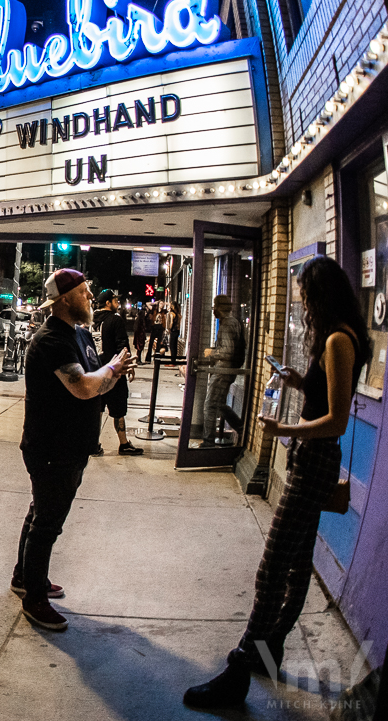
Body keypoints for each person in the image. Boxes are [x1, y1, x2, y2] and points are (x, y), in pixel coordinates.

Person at [184, 256, 369, 708]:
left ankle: (238, 672)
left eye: (305, 295)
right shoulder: (335, 338)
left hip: (316, 461)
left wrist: (284, 431)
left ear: (319, 295)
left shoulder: (339, 340)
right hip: (312, 457)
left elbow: (337, 420)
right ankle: (270, 652)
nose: (302, 304)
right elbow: (324, 396)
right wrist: (299, 382)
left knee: (272, 569)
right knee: (296, 562)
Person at [13, 269, 135, 631]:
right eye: (84, 293)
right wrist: (112, 370)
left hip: (69, 446)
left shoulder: (80, 334)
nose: (91, 298)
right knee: (47, 524)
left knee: (41, 513)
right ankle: (34, 597)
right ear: (64, 300)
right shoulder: (51, 340)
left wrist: (114, 372)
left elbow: (98, 379)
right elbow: (83, 386)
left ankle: (25, 577)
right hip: (52, 447)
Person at [94, 290, 143, 455]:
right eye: (115, 300)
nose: (117, 303)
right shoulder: (115, 320)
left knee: (96, 409)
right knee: (118, 410)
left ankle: (93, 443)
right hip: (113, 372)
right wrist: (128, 367)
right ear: (108, 303)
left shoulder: (89, 320)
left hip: (94, 372)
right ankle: (123, 443)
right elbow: (122, 346)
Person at [199, 294, 246, 445]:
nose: (213, 311)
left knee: (210, 405)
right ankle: (240, 427)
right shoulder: (234, 322)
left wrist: (211, 352)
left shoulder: (226, 325)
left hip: (222, 370)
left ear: (220, 308)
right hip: (228, 370)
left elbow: (227, 351)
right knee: (219, 404)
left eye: (215, 307)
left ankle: (208, 442)